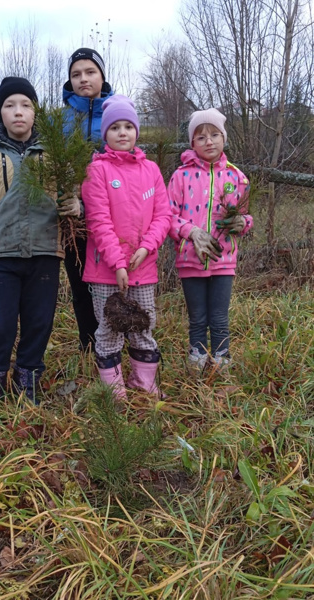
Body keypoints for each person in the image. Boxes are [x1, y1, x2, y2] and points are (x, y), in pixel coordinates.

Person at [0, 77, 78, 404]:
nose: (18, 112)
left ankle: (29, 386)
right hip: (2, 260)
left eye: (25, 105)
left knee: (39, 324)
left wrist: (75, 203)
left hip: (45, 256)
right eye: (9, 106)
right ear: (0, 113)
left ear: (35, 112)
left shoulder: (54, 156)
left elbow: (71, 193)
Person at [81, 95, 173, 399]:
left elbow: (163, 215)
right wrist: (118, 262)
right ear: (105, 133)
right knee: (109, 328)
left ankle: (143, 384)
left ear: (136, 131)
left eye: (128, 126)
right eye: (115, 127)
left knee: (143, 325)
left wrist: (146, 248)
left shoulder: (152, 171)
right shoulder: (97, 171)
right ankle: (113, 391)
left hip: (143, 268)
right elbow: (98, 221)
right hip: (106, 269)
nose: (123, 133)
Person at [167, 108, 253, 372]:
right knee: (197, 317)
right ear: (192, 143)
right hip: (190, 259)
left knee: (219, 317)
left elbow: (245, 216)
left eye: (215, 134)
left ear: (224, 138)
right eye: (201, 137)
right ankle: (197, 361)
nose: (209, 141)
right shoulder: (180, 176)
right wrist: (190, 232)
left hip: (223, 259)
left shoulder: (236, 177)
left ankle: (221, 364)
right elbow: (168, 216)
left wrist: (243, 223)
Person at [62, 47, 114, 351]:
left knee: (110, 278)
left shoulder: (117, 111)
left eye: (90, 72)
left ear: (102, 75)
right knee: (80, 279)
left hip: (111, 212)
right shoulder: (60, 120)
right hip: (73, 216)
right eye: (76, 74)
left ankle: (115, 340)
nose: (84, 79)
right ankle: (89, 343)